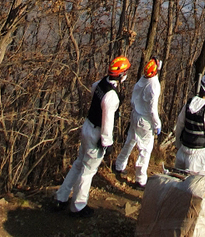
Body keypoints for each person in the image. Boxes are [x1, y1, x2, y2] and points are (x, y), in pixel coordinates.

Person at [55, 55, 131, 217]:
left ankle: (61, 197)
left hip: (87, 126)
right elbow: (107, 121)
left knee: (78, 164)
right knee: (88, 171)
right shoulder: (111, 96)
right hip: (96, 133)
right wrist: (107, 142)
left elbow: (93, 89)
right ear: (120, 75)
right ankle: (78, 206)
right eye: (125, 72)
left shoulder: (101, 84)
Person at [114, 57, 162, 189]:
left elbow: (133, 98)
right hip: (145, 121)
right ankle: (140, 180)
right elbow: (153, 109)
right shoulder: (154, 85)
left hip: (135, 115)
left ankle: (119, 165)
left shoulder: (142, 80)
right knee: (145, 150)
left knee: (130, 141)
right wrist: (157, 124)